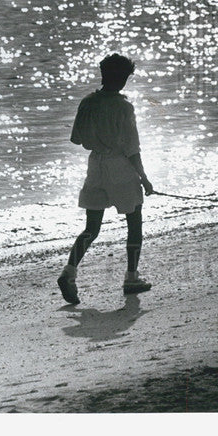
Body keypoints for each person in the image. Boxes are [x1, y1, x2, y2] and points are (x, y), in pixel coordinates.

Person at [57, 53, 156, 305]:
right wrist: (144, 178)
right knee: (134, 223)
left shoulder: (88, 102)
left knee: (92, 228)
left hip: (96, 164)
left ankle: (69, 272)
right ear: (123, 79)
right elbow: (133, 148)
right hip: (120, 166)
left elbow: (77, 139)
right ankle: (131, 277)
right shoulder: (124, 107)